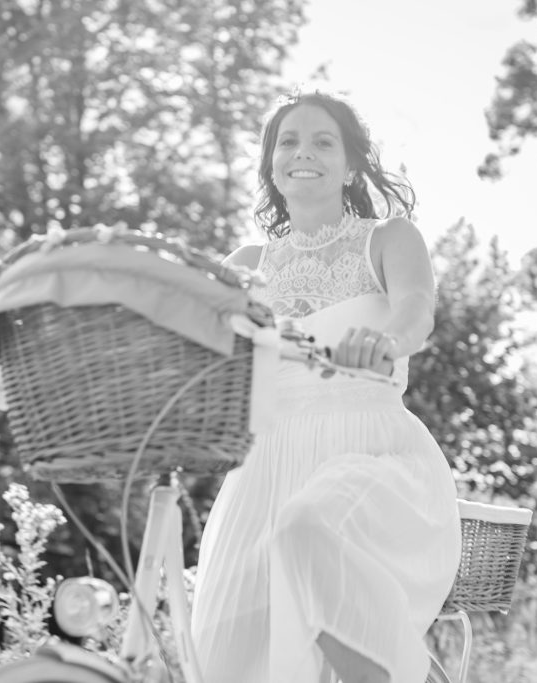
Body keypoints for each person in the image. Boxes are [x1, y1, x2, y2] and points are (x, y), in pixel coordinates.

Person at [189, 90, 462, 683]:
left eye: (322, 141)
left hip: (369, 455)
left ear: (350, 163)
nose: (302, 152)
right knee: (226, 654)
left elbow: (416, 309)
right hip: (264, 469)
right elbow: (198, 349)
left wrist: (388, 341)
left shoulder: (388, 239)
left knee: (307, 526)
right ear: (270, 164)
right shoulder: (245, 265)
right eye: (287, 141)